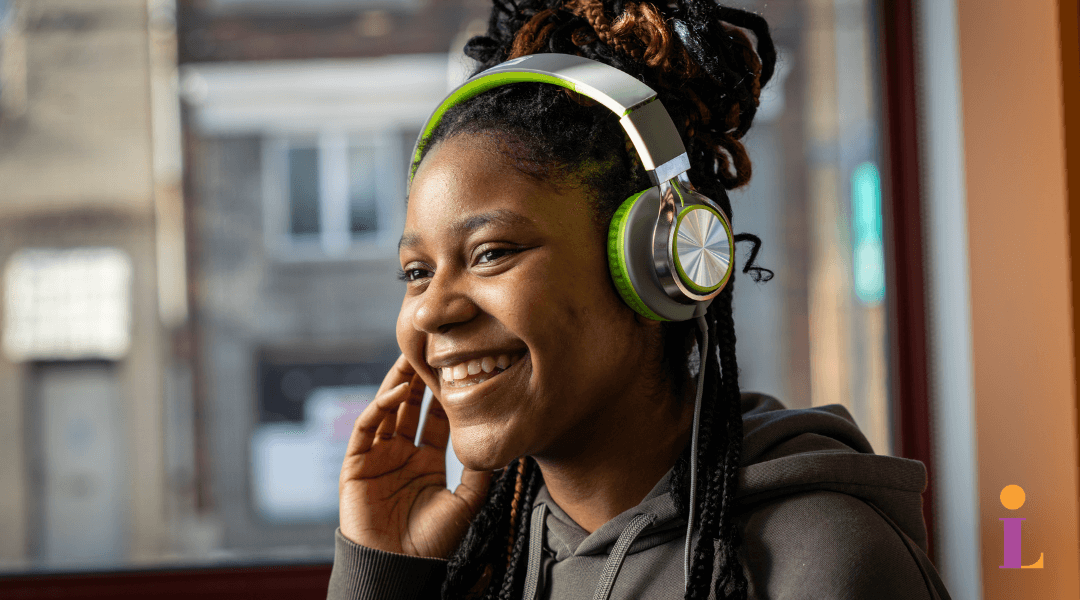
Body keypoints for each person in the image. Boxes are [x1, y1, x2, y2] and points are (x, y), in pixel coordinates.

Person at [327, 0, 953, 598]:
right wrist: (382, 573)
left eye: (491, 253)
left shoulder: (820, 561)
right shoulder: (487, 556)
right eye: (416, 272)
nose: (432, 310)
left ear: (655, 264)